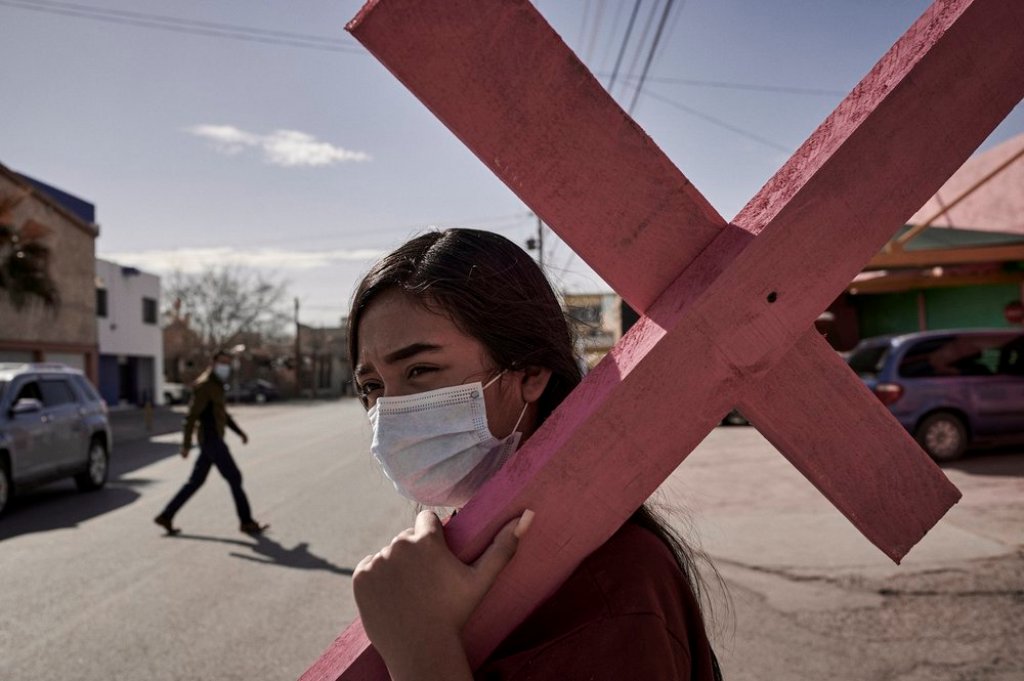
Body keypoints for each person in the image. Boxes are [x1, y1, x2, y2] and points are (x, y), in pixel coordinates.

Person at [348, 229, 722, 680]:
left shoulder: (615, 586)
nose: (390, 410)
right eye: (371, 387)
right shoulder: (459, 555)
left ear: (529, 372)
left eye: (421, 370)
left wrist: (421, 649)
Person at [154, 350, 268, 536]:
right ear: (213, 363)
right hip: (211, 439)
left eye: (228, 363)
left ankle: (166, 515)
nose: (226, 367)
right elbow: (191, 416)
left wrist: (239, 432)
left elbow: (223, 413)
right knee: (235, 478)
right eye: (222, 362)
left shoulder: (217, 385)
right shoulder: (205, 385)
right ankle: (246, 522)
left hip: (213, 440)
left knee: (195, 482)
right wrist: (185, 444)